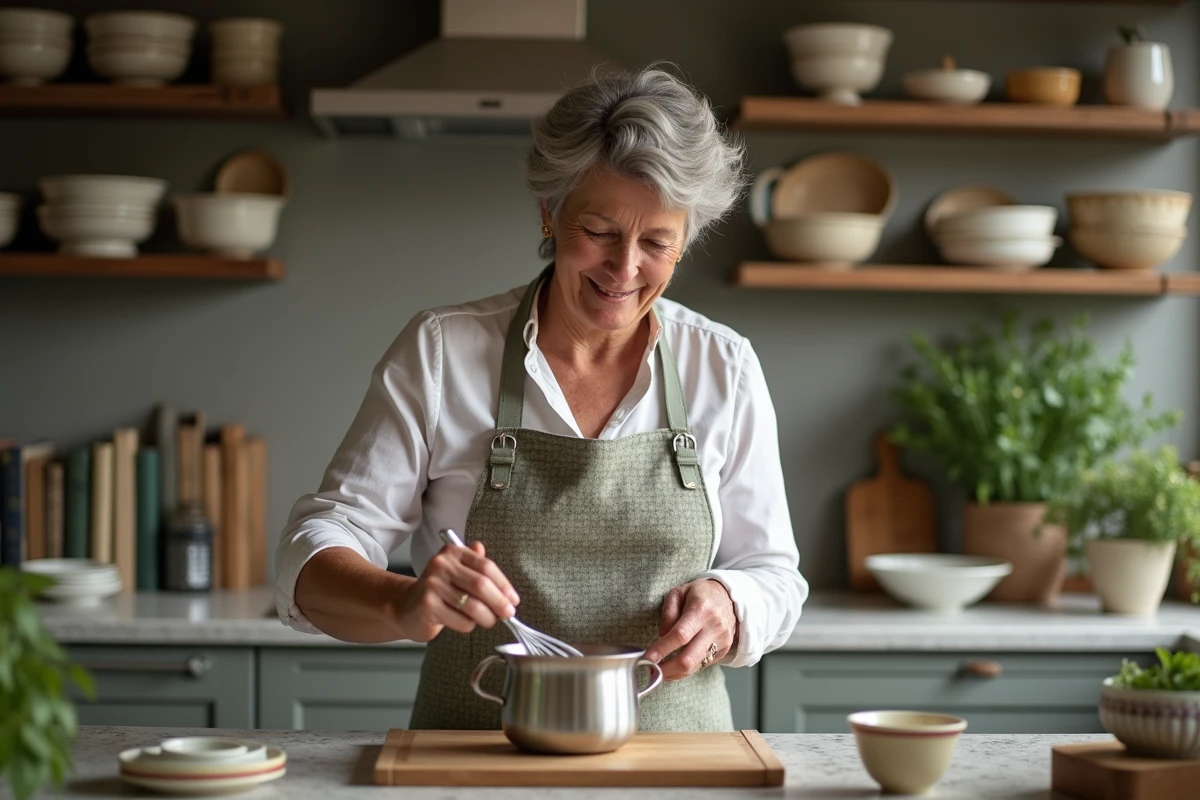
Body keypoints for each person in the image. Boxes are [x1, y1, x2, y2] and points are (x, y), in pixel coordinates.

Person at [274, 64, 809, 732]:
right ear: (549, 213)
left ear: (686, 241)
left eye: (656, 243)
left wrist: (731, 602)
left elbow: (774, 574)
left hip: (672, 766)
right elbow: (314, 550)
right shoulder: (442, 351)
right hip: (477, 758)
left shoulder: (723, 366)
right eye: (601, 232)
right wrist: (403, 603)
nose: (625, 268)